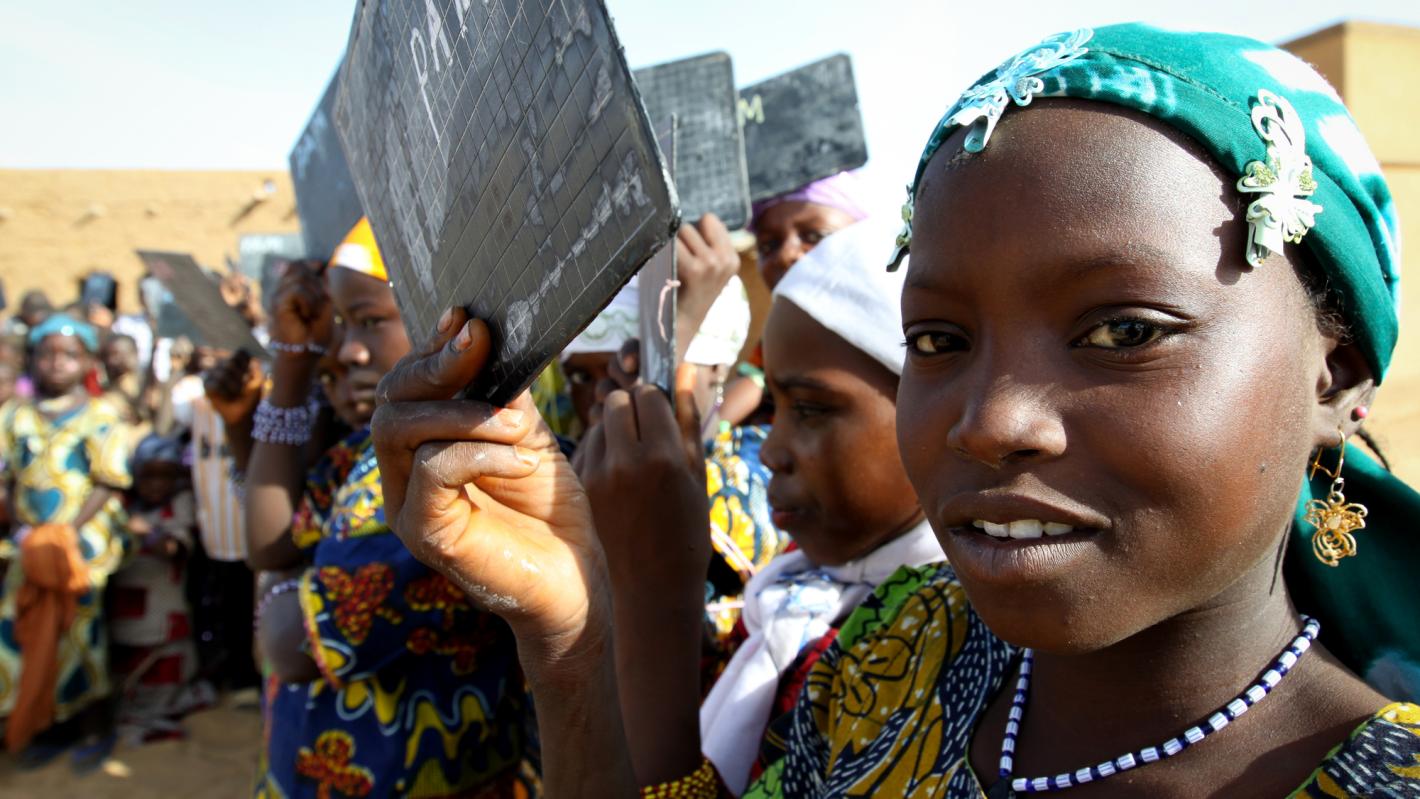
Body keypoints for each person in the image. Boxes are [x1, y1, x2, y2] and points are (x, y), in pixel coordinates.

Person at [370, 24, 1420, 798]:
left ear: (1332, 377)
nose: (990, 420)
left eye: (1123, 332)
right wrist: (571, 642)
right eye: (939, 342)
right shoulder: (895, 660)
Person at [248, 218, 536, 798]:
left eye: (371, 321)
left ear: (455, 326)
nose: (348, 349)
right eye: (343, 325)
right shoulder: (369, 452)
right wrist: (292, 363)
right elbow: (271, 541)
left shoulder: (461, 475)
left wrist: (277, 586)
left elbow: (291, 644)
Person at [0, 313, 131, 763]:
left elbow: (109, 480)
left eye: (69, 355)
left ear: (88, 361)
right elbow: (7, 478)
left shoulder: (100, 415)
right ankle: (39, 723)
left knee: (80, 636)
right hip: (29, 547)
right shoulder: (15, 417)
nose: (57, 363)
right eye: (47, 354)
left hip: (80, 549)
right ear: (32, 360)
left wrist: (65, 532)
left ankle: (91, 729)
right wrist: (21, 527)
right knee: (20, 629)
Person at [110, 433, 205, 743]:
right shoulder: (123, 505)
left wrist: (146, 531)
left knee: (164, 671)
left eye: (166, 476)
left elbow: (173, 547)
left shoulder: (180, 504)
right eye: (147, 476)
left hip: (162, 611)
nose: (155, 485)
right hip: (124, 609)